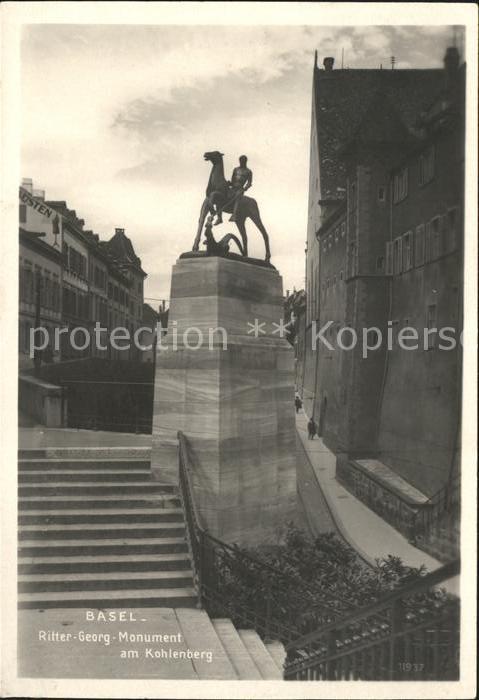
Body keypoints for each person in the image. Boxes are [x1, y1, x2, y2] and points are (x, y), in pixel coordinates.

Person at [229, 155, 253, 222]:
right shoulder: (236, 169)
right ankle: (219, 217)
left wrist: (245, 188)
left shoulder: (248, 171)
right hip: (233, 187)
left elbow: (249, 182)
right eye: (241, 161)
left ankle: (234, 215)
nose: (241, 162)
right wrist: (230, 183)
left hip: (240, 189)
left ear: (246, 161)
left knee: (237, 196)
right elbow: (232, 179)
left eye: (243, 161)